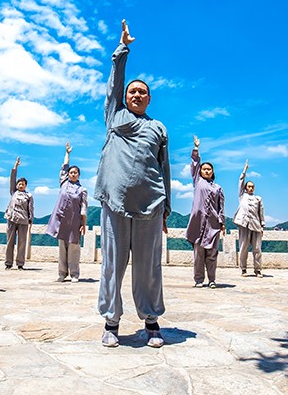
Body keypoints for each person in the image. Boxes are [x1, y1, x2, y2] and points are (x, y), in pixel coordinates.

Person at [94, 19, 171, 348]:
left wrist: (167, 207)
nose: (136, 94)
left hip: (151, 205)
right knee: (112, 264)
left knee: (148, 266)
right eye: (132, 92)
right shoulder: (116, 116)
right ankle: (111, 322)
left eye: (142, 92)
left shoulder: (159, 128)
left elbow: (164, 168)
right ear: (125, 97)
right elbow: (113, 86)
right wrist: (122, 49)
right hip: (114, 202)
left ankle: (151, 320)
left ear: (149, 99)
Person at [185, 136, 225, 288]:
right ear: (200, 171)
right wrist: (196, 148)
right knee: (198, 254)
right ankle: (199, 280)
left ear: (213, 172)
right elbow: (195, 163)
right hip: (198, 223)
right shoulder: (198, 181)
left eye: (209, 169)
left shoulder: (218, 188)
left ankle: (212, 280)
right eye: (204, 168)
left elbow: (221, 207)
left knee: (212, 254)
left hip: (213, 225)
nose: (206, 170)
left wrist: (222, 224)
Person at [46, 142, 88, 283]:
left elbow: (83, 208)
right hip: (61, 220)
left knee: (74, 248)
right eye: (71, 172)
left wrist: (83, 224)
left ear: (79, 175)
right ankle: (62, 273)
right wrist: (67, 154)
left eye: (75, 172)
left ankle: (74, 274)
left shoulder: (82, 190)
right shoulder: (64, 183)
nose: (72, 174)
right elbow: (64, 167)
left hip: (74, 222)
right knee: (62, 248)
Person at [234, 160, 265, 277]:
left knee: (257, 248)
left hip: (256, 225)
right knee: (243, 247)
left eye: (252, 187)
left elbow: (261, 212)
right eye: (248, 186)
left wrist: (262, 225)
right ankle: (243, 269)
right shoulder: (242, 196)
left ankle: (258, 269)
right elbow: (240, 182)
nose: (250, 188)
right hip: (244, 224)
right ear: (246, 188)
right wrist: (244, 170)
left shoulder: (258, 198)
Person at [4, 157, 33, 271]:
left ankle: (20, 263)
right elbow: (12, 179)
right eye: (19, 184)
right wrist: (15, 167)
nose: (21, 185)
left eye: (23, 184)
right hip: (11, 218)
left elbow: (31, 208)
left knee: (22, 242)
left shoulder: (29, 196)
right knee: (9, 241)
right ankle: (8, 263)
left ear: (25, 185)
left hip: (23, 220)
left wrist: (31, 220)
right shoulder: (13, 192)